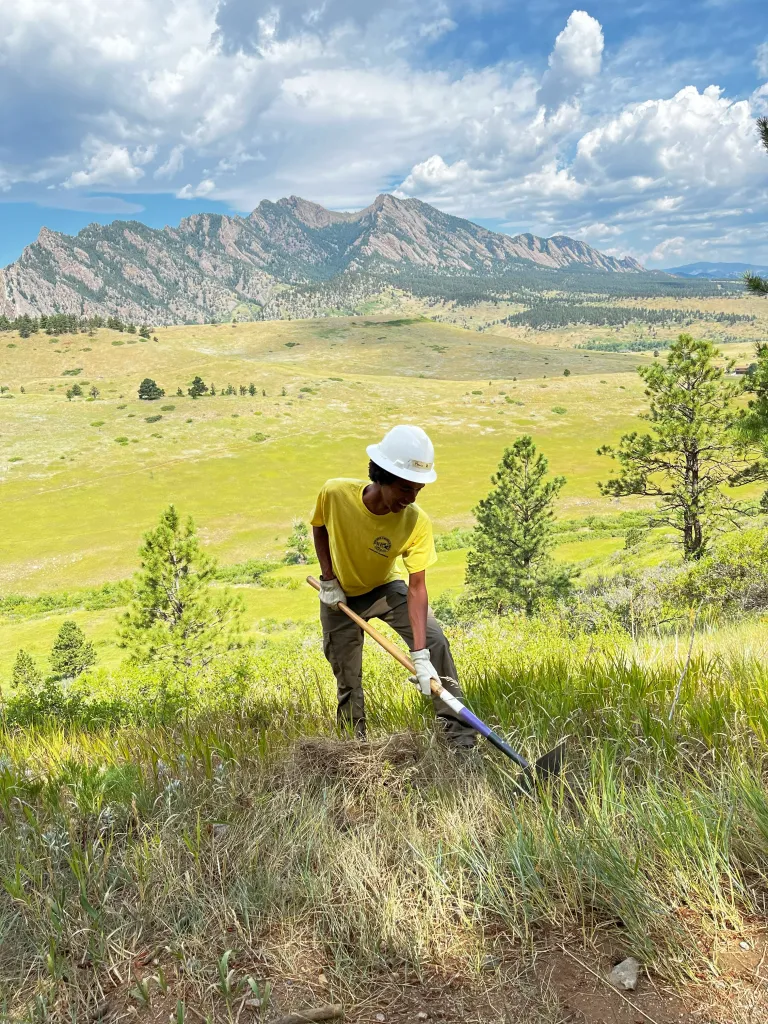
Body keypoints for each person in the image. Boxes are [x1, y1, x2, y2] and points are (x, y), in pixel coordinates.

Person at [310, 424, 476, 749]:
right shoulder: (335, 493)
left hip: (384, 591)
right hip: (338, 597)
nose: (411, 498)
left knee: (436, 642)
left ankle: (461, 742)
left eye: (418, 490)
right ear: (382, 475)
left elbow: (417, 588)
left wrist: (420, 654)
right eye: (405, 488)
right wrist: (328, 577)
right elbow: (319, 527)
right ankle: (352, 752)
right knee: (348, 680)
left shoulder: (415, 521)